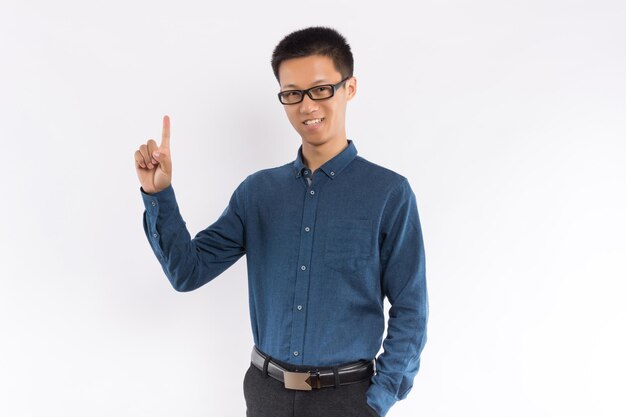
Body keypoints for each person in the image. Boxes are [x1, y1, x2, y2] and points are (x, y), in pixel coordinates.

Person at [134, 26, 428, 417]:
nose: (307, 106)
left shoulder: (389, 193)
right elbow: (187, 272)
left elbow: (411, 307)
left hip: (348, 400)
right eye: (292, 94)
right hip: (266, 394)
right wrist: (159, 195)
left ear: (349, 88)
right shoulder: (258, 193)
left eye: (321, 89)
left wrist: (379, 399)